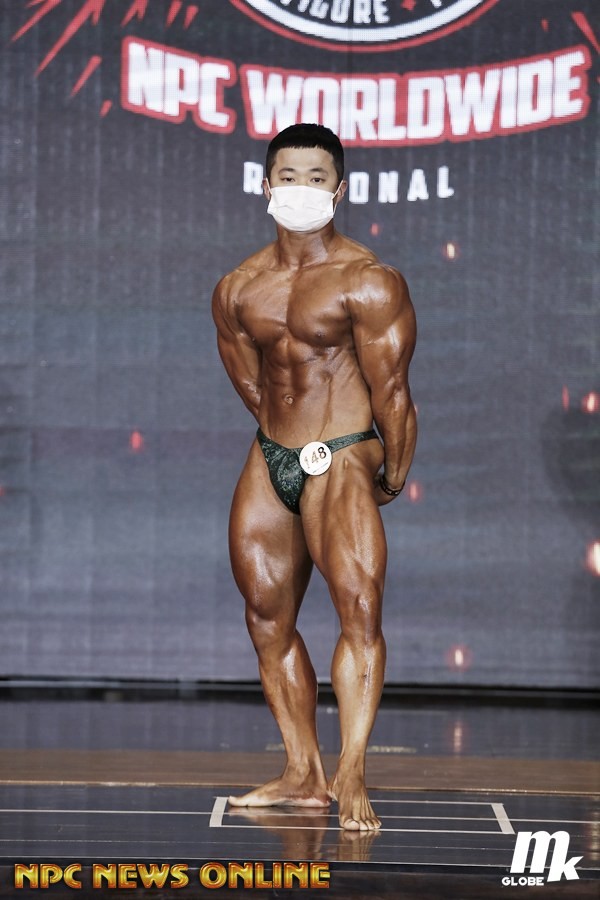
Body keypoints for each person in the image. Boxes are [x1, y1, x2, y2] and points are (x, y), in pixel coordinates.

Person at [212, 123, 417, 831]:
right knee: (266, 617)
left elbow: (394, 392)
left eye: (316, 177)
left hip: (345, 449)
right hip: (273, 452)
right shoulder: (238, 288)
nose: (301, 189)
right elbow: (252, 384)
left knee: (359, 608)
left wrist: (388, 472)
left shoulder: (369, 280)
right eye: (289, 177)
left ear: (340, 189)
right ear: (266, 185)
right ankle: (303, 771)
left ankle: (351, 770)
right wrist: (285, 441)